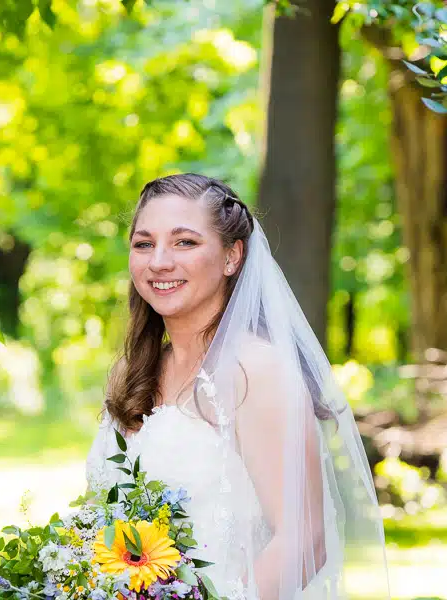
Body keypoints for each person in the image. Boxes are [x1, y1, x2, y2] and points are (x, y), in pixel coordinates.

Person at [85, 174, 389, 600]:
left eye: (185, 242)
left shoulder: (256, 369)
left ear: (232, 257)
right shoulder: (136, 373)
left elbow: (305, 539)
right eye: (144, 243)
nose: (159, 261)